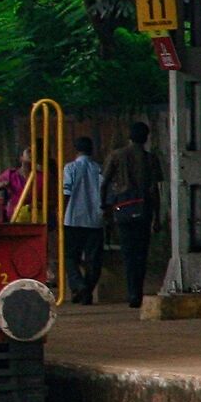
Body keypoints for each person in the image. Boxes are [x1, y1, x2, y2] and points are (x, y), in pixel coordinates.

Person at [103, 121, 164, 308]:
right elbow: (155, 189)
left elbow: (104, 182)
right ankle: (137, 290)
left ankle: (132, 293)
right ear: (146, 138)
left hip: (122, 210)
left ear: (129, 136)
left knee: (128, 253)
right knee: (141, 253)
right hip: (144, 210)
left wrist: (105, 207)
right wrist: (157, 216)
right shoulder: (151, 159)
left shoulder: (116, 156)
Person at [61, 135, 104, 304]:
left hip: (73, 219)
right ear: (91, 150)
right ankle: (86, 290)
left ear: (76, 150)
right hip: (95, 220)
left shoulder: (70, 168)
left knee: (71, 257)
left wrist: (62, 213)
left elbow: (66, 192)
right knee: (94, 259)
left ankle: (79, 285)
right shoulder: (99, 169)